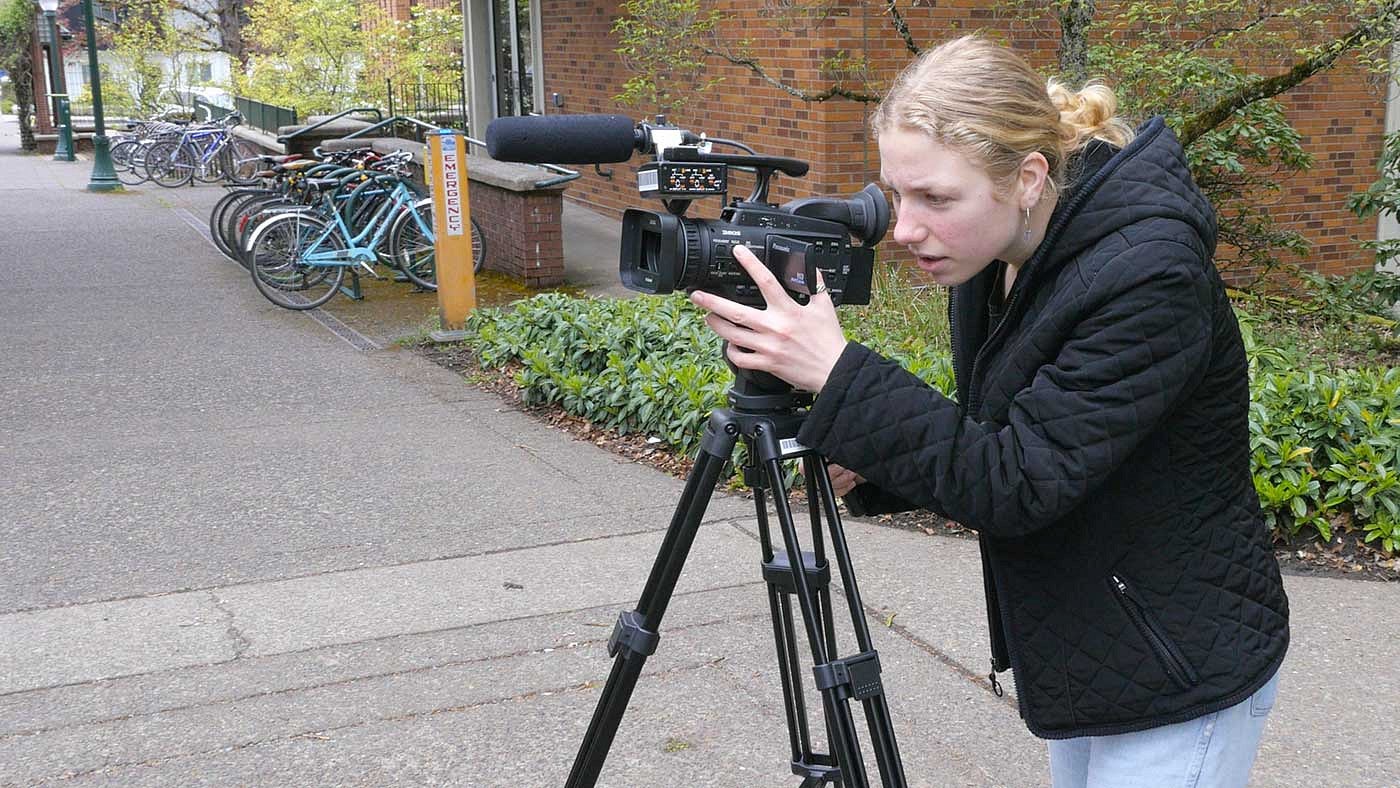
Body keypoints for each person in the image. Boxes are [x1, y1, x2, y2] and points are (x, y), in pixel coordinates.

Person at [689, 34, 1290, 788]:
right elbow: (1015, 433)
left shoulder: (1149, 274)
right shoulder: (1003, 251)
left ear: (1029, 177)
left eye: (936, 198)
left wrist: (841, 376)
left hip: (1175, 658)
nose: (904, 229)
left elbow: (1019, 481)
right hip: (1098, 641)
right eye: (897, 194)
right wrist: (868, 458)